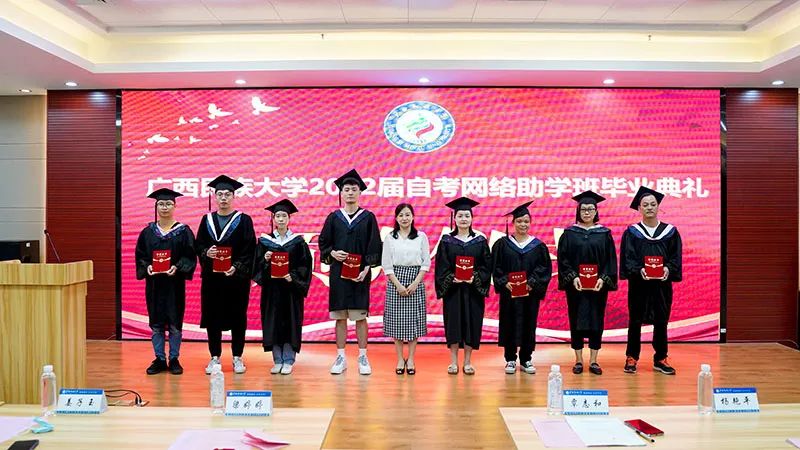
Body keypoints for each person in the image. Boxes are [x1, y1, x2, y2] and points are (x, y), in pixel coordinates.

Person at [318, 169, 382, 375]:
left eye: (354, 189)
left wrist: (366, 268)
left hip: (360, 274)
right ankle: (341, 357)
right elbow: (323, 243)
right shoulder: (334, 218)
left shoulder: (368, 218)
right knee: (340, 317)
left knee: (360, 317)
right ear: (341, 193)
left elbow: (374, 245)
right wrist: (332, 253)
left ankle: (362, 356)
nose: (350, 193)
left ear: (360, 192)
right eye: (346, 189)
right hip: (338, 274)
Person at [195, 175, 256, 375]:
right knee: (213, 317)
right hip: (212, 278)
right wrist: (207, 252)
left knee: (238, 316)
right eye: (220, 194)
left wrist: (237, 267)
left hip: (236, 279)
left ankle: (237, 356)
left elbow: (250, 249)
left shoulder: (244, 220)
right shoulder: (207, 220)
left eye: (227, 194)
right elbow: (199, 244)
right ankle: (215, 356)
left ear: (233, 196)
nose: (223, 198)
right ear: (215, 196)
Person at [620, 186, 682, 375]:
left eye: (653, 204)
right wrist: (639, 270)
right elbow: (628, 258)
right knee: (635, 320)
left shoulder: (670, 231)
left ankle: (661, 358)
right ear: (639, 208)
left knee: (661, 320)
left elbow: (675, 257)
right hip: (639, 284)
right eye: (645, 205)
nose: (649, 207)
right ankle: (632, 357)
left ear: (658, 207)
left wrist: (668, 269)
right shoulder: (632, 232)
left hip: (662, 284)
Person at [135, 188, 197, 375]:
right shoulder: (148, 232)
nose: (164, 207)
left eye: (168, 204)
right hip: (154, 285)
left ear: (175, 206)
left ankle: (174, 358)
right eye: (161, 204)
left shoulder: (183, 231)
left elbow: (190, 255)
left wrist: (177, 267)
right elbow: (141, 256)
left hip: (174, 285)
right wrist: (147, 267)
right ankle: (160, 358)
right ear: (156, 206)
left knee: (175, 324)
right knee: (156, 324)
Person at [557, 191, 617, 376]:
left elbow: (610, 260)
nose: (587, 212)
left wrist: (603, 279)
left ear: (596, 211)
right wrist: (573, 277)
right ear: (578, 211)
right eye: (583, 209)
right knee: (575, 320)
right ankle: (578, 360)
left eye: (590, 209)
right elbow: (563, 259)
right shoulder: (569, 234)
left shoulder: (604, 234)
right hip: (576, 286)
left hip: (597, 287)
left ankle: (593, 361)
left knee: (596, 320)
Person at [491, 200, 552, 375]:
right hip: (510, 293)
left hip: (530, 294)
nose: (523, 224)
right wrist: (504, 282)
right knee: (509, 323)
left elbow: (544, 268)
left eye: (526, 221)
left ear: (530, 223)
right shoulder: (502, 245)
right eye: (519, 221)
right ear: (513, 223)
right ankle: (510, 359)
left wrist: (532, 283)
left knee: (529, 323)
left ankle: (526, 358)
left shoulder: (538, 246)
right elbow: (496, 266)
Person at [254, 199, 312, 375]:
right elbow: (256, 266)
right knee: (273, 323)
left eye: (284, 216)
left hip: (291, 290)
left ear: (289, 219)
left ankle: (288, 360)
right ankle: (277, 360)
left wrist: (292, 276)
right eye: (277, 216)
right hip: (272, 290)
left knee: (290, 324)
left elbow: (305, 266)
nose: (280, 219)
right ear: (273, 219)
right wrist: (265, 260)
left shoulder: (298, 242)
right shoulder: (265, 242)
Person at [434, 197, 491, 375]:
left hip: (473, 292)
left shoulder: (480, 241)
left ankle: (467, 362)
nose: (464, 219)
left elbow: (486, 267)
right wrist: (451, 278)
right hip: (454, 291)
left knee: (471, 324)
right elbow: (441, 267)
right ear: (455, 218)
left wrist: (475, 278)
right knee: (454, 324)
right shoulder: (447, 241)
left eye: (467, 215)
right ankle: (453, 362)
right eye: (460, 216)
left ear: (472, 218)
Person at [382, 203, 431, 375]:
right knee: (396, 322)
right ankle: (399, 358)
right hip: (395, 280)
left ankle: (410, 359)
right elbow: (386, 264)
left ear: (413, 217)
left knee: (413, 323)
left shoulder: (421, 237)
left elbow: (426, 262)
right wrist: (398, 285)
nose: (404, 218)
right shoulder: (390, 237)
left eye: (408, 214)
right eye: (401, 215)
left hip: (415, 280)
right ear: (396, 218)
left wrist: (415, 283)